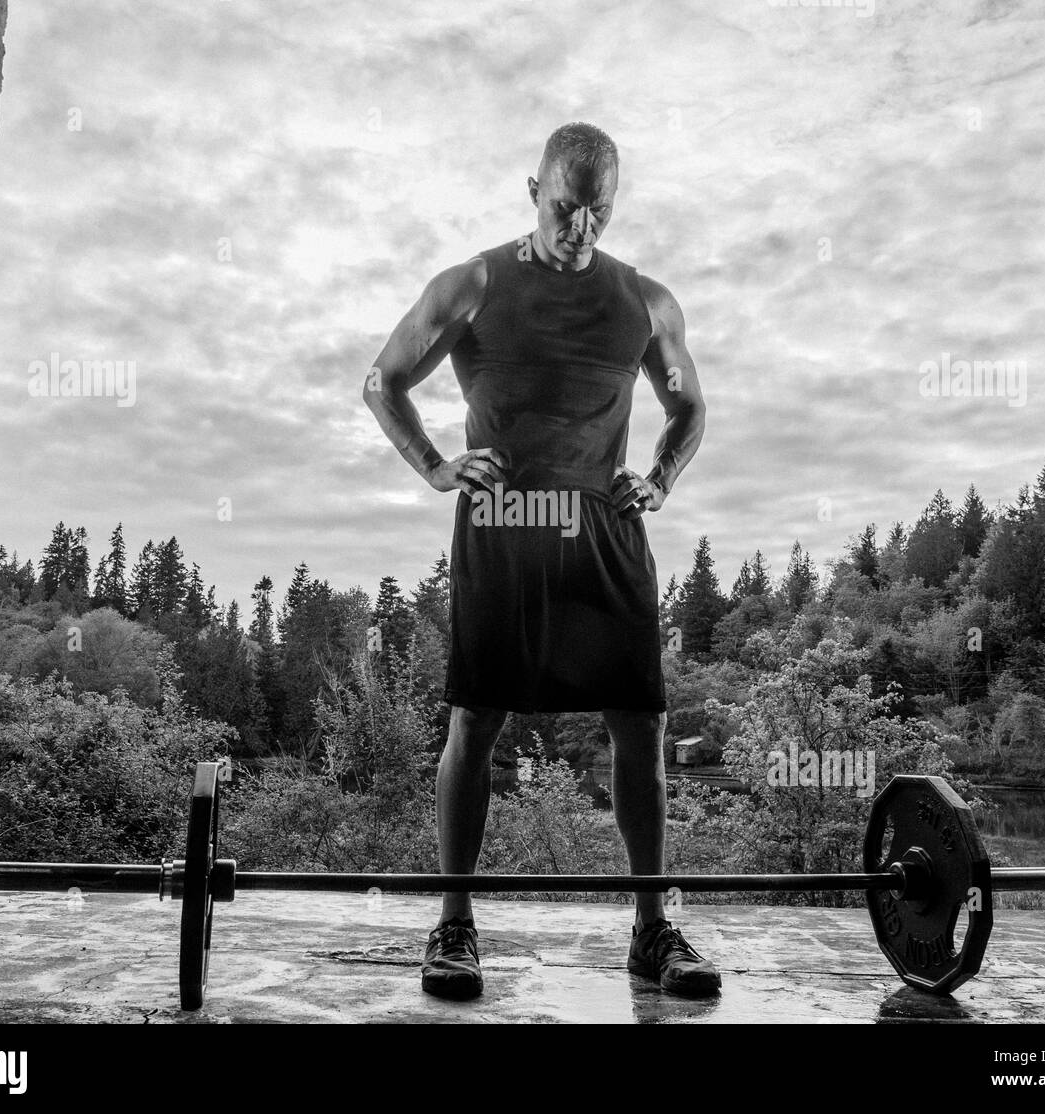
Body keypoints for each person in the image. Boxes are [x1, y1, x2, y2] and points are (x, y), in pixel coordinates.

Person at [363, 122, 717, 999]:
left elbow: (689, 407)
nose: (582, 229)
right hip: (504, 525)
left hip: (604, 528)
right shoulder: (474, 283)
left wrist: (662, 479)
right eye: (567, 208)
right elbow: (383, 381)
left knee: (639, 723)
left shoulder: (645, 300)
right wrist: (438, 468)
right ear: (534, 190)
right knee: (476, 723)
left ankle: (650, 929)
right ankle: (452, 925)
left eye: (599, 213)